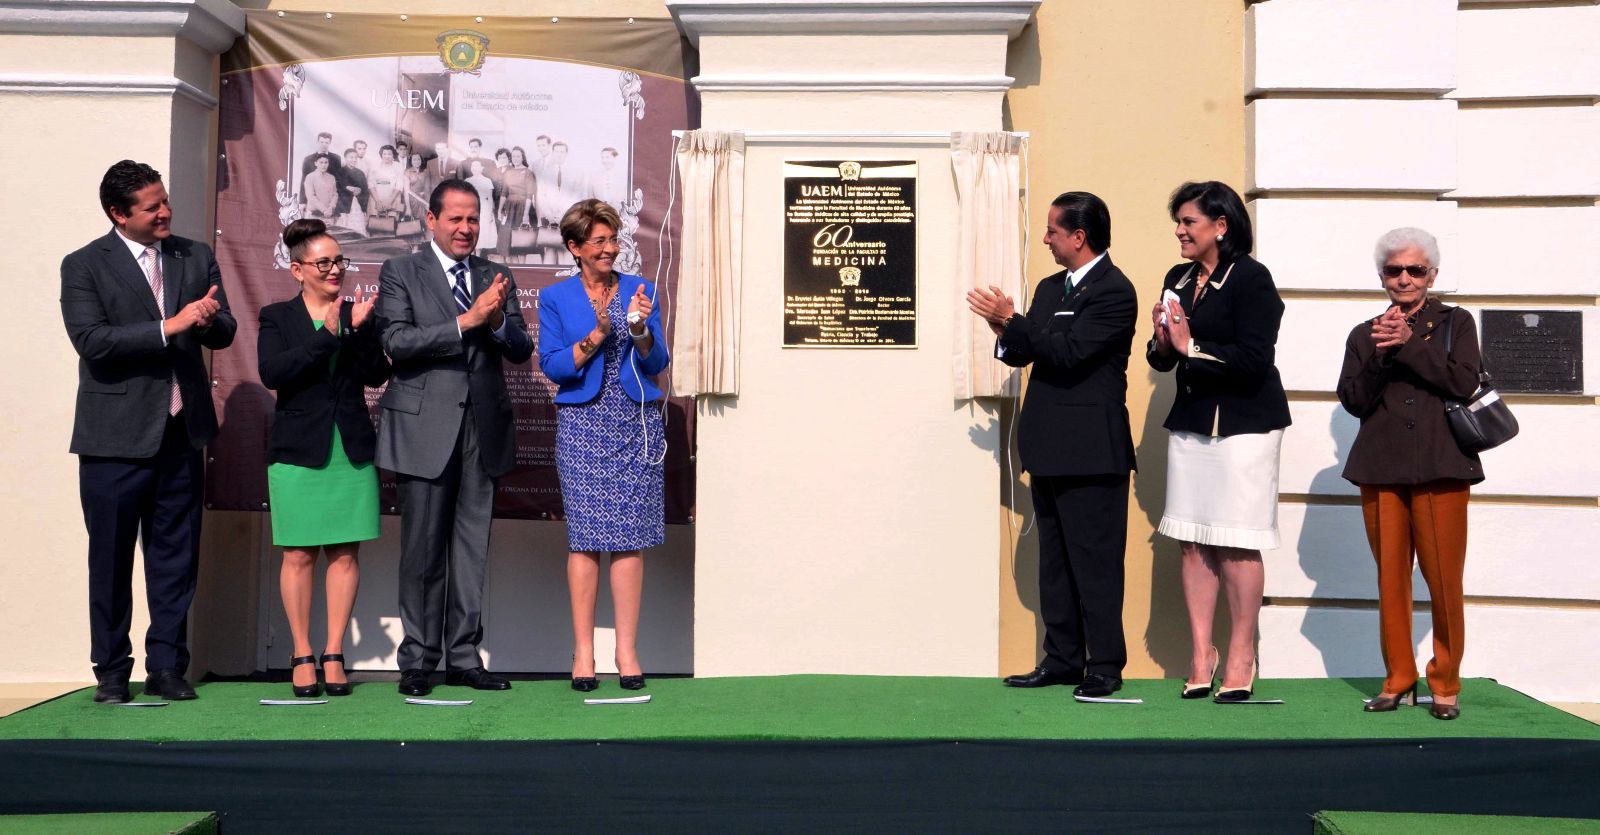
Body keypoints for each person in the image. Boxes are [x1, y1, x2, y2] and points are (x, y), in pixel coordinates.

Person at [60, 160, 236, 703]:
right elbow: (92, 341)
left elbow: (225, 329)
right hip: (114, 439)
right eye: (152, 206)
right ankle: (112, 672)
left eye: (165, 200)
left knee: (175, 558)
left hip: (181, 435)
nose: (166, 212)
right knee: (110, 561)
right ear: (119, 214)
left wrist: (207, 320)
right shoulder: (85, 264)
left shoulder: (194, 254)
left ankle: (167, 667)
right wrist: (169, 326)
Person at [968, 192, 1137, 698]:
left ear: (1078, 237)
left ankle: (1104, 665)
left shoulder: (1114, 291)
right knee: (1056, 563)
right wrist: (1004, 328)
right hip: (1048, 446)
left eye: (1053, 231)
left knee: (1096, 563)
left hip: (1091, 451)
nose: (1046, 239)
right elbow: (1025, 352)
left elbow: (1067, 352)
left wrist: (1017, 324)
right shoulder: (1049, 287)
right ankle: (1062, 659)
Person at [375, 179, 534, 696]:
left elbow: (518, 347)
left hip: (480, 429)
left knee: (470, 548)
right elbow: (397, 342)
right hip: (424, 426)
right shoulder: (401, 271)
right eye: (456, 219)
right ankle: (418, 660)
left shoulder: (496, 274)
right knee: (422, 550)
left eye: (473, 219)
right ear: (432, 221)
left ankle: (465, 656)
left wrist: (494, 322)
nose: (466, 229)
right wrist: (469, 319)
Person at [1147, 180, 1289, 703]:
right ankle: (1201, 654)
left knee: (1235, 541)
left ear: (1221, 226)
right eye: (1178, 222)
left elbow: (1255, 359)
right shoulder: (1176, 278)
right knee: (1193, 540)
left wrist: (1192, 345)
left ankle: (1240, 654)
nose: (1180, 231)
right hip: (1191, 421)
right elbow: (1163, 357)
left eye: (1189, 222)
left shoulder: (1252, 279)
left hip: (1246, 425)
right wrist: (1164, 343)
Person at [1337, 228, 1480, 721]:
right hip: (1380, 468)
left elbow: (1464, 381)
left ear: (1431, 275)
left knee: (1443, 581)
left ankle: (1445, 682)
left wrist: (1410, 346)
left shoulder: (1456, 323)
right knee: (1391, 579)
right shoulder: (1365, 333)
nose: (1404, 278)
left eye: (1415, 270)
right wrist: (1382, 353)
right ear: (1382, 276)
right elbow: (1354, 400)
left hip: (1442, 467)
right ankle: (1398, 678)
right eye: (1394, 270)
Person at [537, 199, 668, 692]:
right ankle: (585, 654)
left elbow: (657, 362)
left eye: (614, 240)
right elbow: (552, 366)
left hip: (632, 422)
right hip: (582, 424)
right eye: (599, 241)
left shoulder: (640, 290)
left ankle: (628, 652)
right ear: (575, 248)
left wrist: (639, 333)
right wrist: (596, 336)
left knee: (629, 537)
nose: (610, 249)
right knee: (586, 539)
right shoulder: (556, 298)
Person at [258, 219, 390, 698]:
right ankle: (301, 652)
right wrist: (330, 334)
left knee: (345, 553)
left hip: (350, 448)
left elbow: (376, 374)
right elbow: (274, 372)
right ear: (297, 270)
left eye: (340, 261)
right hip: (298, 451)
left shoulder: (357, 312)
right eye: (324, 263)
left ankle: (334, 651)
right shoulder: (277, 317)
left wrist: (357, 333)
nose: (335, 270)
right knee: (298, 554)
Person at [496, 146, 536, 261]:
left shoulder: (528, 173)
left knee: (520, 242)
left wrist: (526, 214)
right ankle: (512, 270)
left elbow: (529, 195)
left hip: (522, 207)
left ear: (522, 157)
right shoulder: (508, 173)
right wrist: (499, 210)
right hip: (509, 209)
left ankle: (522, 271)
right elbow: (504, 193)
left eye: (518, 156)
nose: (515, 158)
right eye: (513, 156)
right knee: (507, 242)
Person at [465, 160, 498, 257]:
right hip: (470, 207)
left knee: (481, 232)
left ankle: (478, 256)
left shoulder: (487, 181)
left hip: (483, 208)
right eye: (473, 166)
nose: (474, 168)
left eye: (477, 166)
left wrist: (490, 212)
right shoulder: (467, 181)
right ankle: (470, 256)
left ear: (481, 168)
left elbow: (490, 197)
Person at [334, 148, 369, 237]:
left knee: (358, 230)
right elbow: (338, 189)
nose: (353, 160)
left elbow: (365, 190)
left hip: (358, 205)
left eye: (355, 157)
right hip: (344, 205)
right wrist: (350, 189)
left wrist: (364, 207)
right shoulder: (340, 172)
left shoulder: (360, 173)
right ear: (345, 158)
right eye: (351, 157)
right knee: (344, 229)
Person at [367, 144, 406, 218]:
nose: (387, 156)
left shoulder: (398, 166)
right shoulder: (374, 166)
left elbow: (399, 185)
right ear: (381, 155)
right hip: (376, 200)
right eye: (384, 154)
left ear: (393, 155)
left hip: (393, 200)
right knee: (374, 224)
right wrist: (377, 201)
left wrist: (390, 201)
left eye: (389, 154)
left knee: (391, 225)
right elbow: (370, 184)